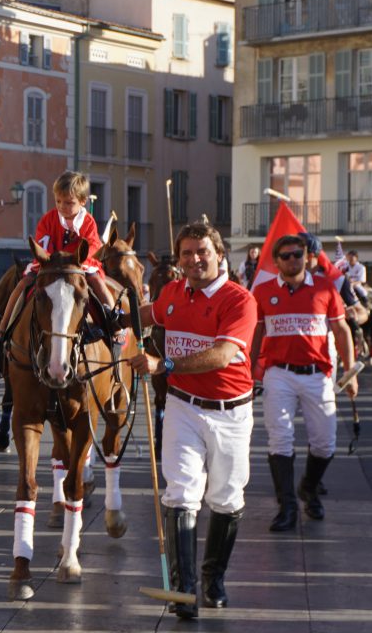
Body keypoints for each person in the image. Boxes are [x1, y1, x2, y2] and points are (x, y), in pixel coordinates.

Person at [131, 221, 257, 619]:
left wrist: (164, 363)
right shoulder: (173, 292)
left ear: (219, 254)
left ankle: (212, 577)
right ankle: (184, 590)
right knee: (181, 492)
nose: (194, 259)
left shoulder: (239, 300)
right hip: (183, 406)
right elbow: (147, 314)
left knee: (226, 497)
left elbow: (221, 355)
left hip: (230, 412)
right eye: (186, 253)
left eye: (202, 251)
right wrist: (102, 319)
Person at [251, 235, 357, 533]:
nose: (292, 260)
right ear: (277, 261)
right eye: (285, 256)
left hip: (317, 374)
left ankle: (308, 488)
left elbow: (342, 330)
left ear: (307, 256)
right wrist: (249, 368)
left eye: (297, 254)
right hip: (278, 374)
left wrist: (350, 374)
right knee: (279, 439)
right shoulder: (263, 291)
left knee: (325, 443)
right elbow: (256, 333)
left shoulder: (324, 287)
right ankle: (287, 507)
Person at [0, 171, 120, 342]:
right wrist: (51, 258)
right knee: (22, 284)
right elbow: (42, 242)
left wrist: (76, 258)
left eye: (69, 203)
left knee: (98, 283)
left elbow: (92, 244)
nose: (62, 206)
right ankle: (3, 326)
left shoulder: (88, 222)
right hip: (50, 264)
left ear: (82, 202)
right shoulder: (48, 219)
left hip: (78, 265)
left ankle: (114, 323)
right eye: (58, 201)